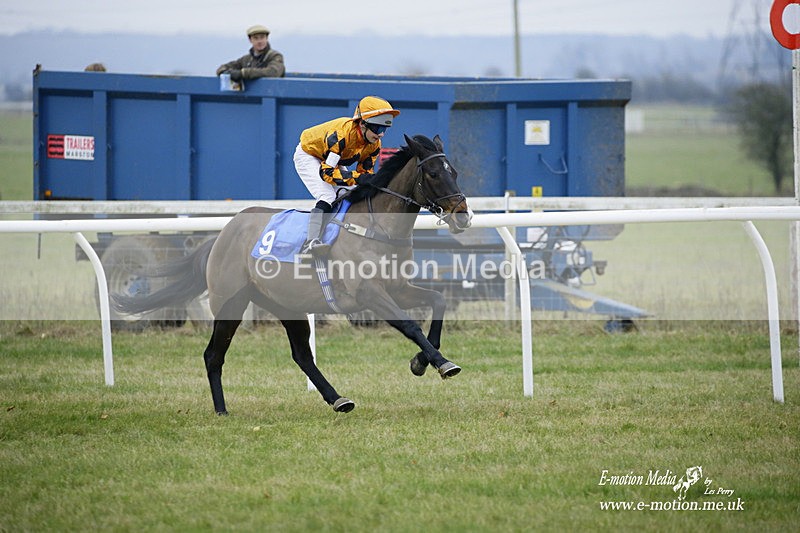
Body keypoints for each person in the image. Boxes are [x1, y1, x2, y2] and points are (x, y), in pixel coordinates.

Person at [294, 95, 400, 256]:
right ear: (363, 124)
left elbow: (365, 175)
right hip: (309, 155)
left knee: (348, 192)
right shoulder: (342, 136)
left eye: (384, 130)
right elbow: (327, 173)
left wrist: (365, 181)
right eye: (378, 129)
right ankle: (310, 244)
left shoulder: (374, 145)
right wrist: (358, 178)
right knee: (327, 195)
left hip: (330, 160)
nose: (381, 135)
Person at [215, 25, 285, 81]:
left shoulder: (275, 56)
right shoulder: (246, 59)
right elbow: (223, 67)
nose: (259, 41)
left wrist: (243, 73)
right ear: (250, 40)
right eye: (256, 38)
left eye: (262, 37)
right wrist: (225, 72)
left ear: (267, 38)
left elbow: (273, 72)